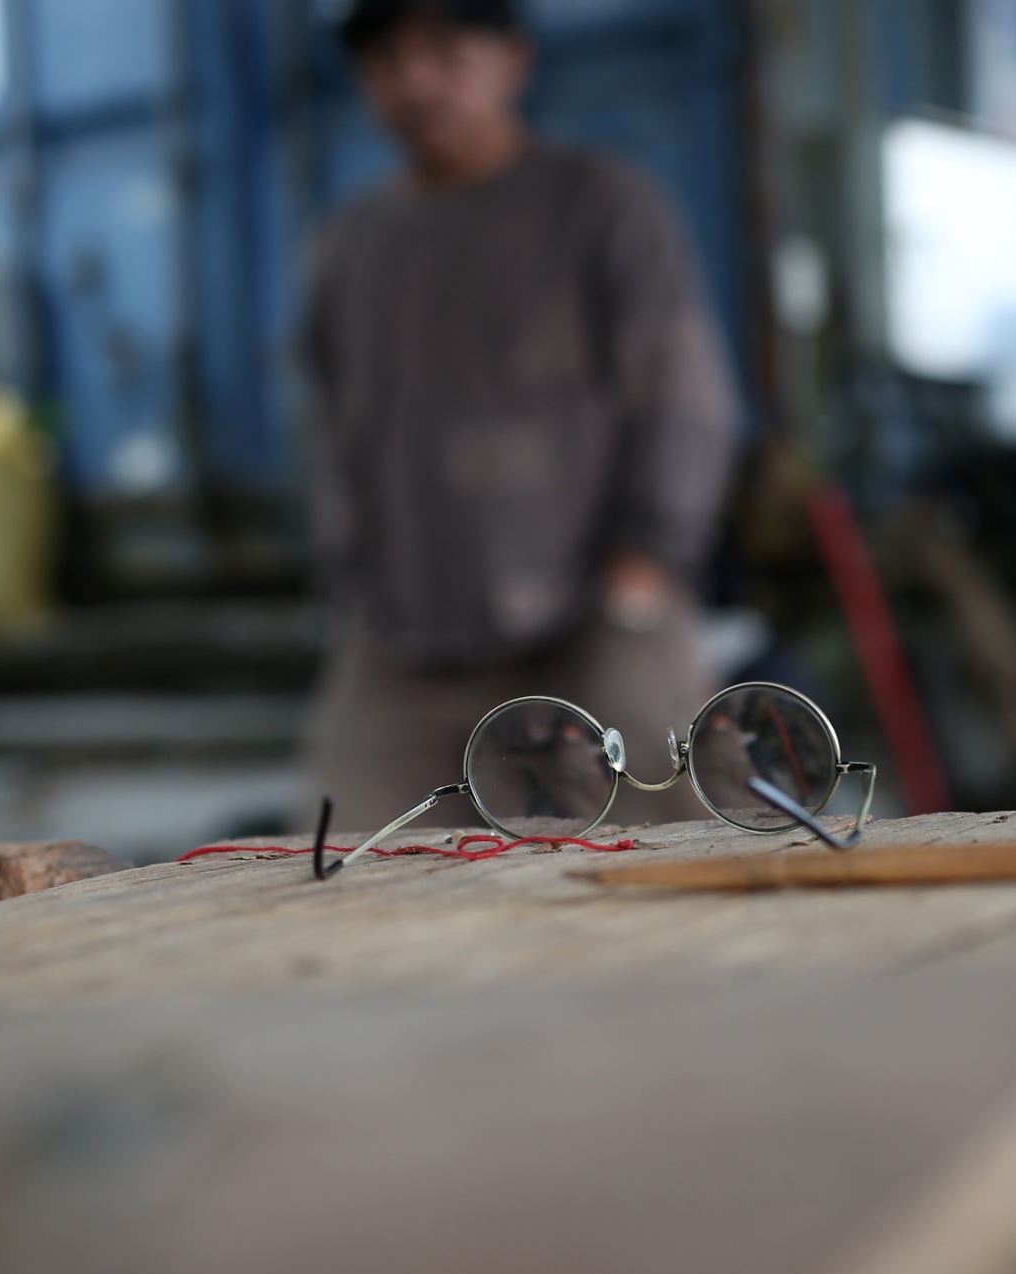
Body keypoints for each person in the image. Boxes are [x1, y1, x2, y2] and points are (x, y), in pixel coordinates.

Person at [298, 0, 741, 830]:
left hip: (592, 626)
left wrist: (646, 559)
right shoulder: (350, 244)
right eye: (387, 58)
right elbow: (332, 431)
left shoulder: (601, 205)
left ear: (513, 60)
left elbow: (683, 394)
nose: (415, 80)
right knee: (341, 862)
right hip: (401, 646)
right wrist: (352, 576)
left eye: (444, 50)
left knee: (674, 853)